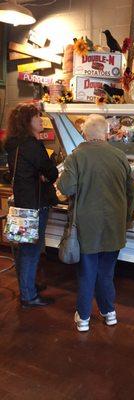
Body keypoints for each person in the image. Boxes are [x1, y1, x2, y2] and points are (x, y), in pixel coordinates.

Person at [57, 114, 134, 332]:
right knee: (107, 272)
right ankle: (109, 312)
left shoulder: (76, 157)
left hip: (87, 225)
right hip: (114, 225)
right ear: (106, 133)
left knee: (87, 271)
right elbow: (132, 191)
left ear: (85, 133)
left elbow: (65, 188)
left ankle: (83, 317)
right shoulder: (119, 156)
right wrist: (128, 219)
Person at [4, 103, 58, 308]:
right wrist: (45, 175)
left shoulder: (14, 143)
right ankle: (28, 296)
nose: (40, 120)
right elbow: (51, 172)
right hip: (34, 205)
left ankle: (28, 286)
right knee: (31, 250)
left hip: (21, 203)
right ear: (27, 121)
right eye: (37, 116)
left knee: (24, 249)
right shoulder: (32, 145)